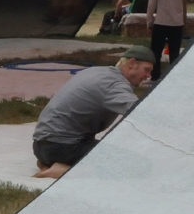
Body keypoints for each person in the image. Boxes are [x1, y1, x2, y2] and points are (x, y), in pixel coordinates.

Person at [31, 46, 155, 178]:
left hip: (40, 146)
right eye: (146, 70)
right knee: (140, 165)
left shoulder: (95, 71)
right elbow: (142, 111)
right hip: (63, 147)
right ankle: (66, 171)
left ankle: (48, 163)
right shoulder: (113, 84)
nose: (148, 76)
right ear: (132, 63)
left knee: (108, 149)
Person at [146, 0, 192, 79]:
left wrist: (149, 21)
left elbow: (151, 4)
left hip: (161, 22)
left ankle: (155, 75)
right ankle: (173, 77)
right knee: (174, 52)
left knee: (156, 51)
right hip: (176, 23)